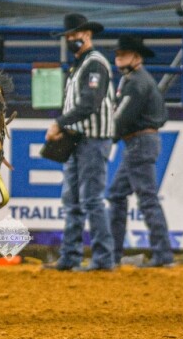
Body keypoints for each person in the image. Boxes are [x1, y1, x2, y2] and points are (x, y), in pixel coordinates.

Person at [44, 14, 116, 272]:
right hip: (80, 139)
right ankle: (71, 256)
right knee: (74, 200)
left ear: (87, 35)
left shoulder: (94, 64)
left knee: (90, 200)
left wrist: (60, 123)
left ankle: (103, 258)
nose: (72, 40)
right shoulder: (83, 64)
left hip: (93, 139)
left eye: (75, 36)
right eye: (69, 37)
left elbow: (89, 103)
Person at [107, 36, 173, 268]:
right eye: (117, 55)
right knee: (120, 194)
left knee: (145, 198)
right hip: (142, 142)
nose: (118, 58)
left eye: (123, 54)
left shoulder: (135, 82)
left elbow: (121, 118)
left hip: (139, 143)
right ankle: (115, 253)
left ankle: (162, 254)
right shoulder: (139, 80)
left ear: (137, 57)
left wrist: (105, 139)